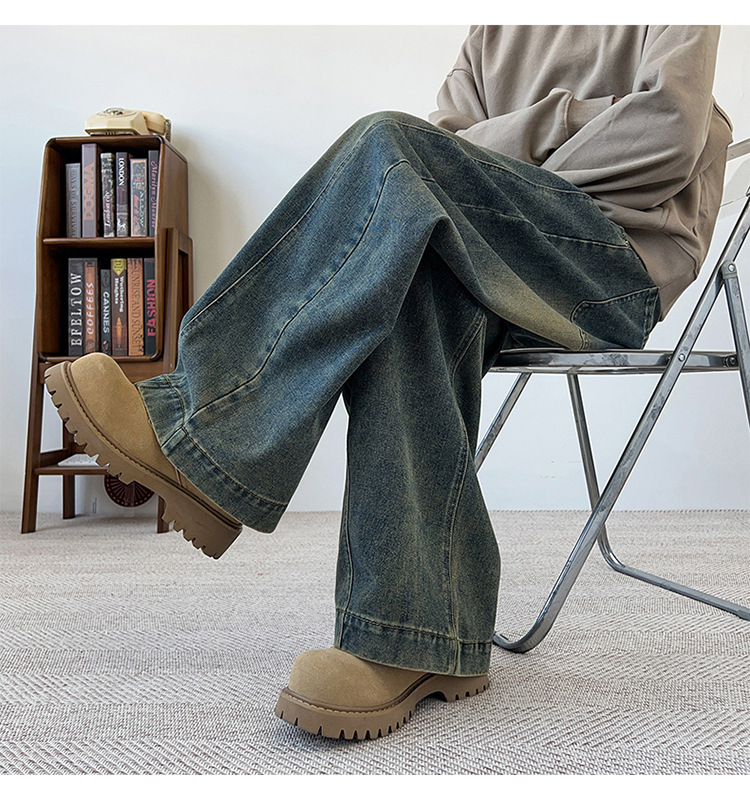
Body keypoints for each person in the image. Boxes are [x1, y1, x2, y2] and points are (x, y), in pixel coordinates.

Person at [45, 26, 732, 740]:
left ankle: (204, 432)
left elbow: (667, 135)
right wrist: (579, 130)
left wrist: (523, 142)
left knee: (389, 146)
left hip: (611, 263)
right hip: (486, 245)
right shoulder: (494, 31)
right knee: (407, 253)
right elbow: (448, 151)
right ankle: (410, 632)